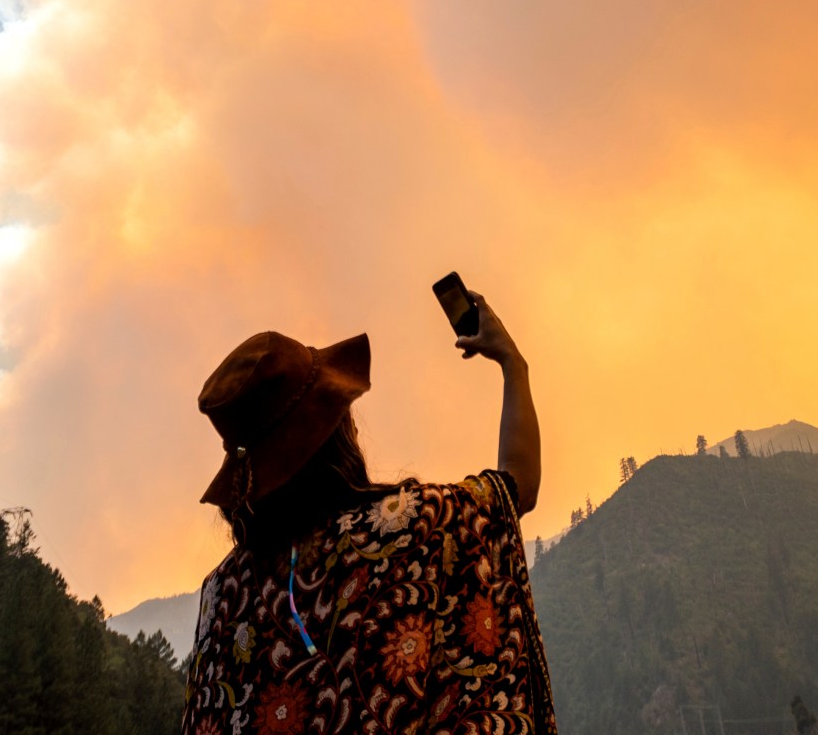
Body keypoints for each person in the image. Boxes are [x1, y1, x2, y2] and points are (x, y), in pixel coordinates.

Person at [182, 290, 555, 734]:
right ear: (335, 428)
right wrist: (514, 364)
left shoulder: (222, 598)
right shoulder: (415, 527)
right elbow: (517, 487)